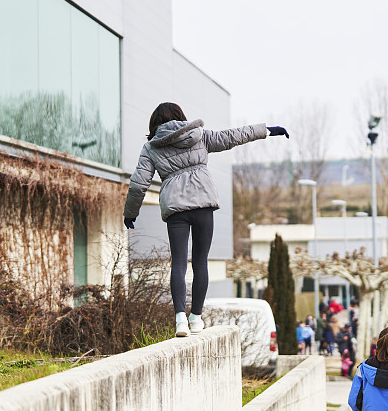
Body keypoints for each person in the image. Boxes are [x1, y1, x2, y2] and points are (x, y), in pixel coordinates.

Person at [123, 102, 289, 337]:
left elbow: (139, 183)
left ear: (154, 124)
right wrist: (267, 130)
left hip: (175, 209)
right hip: (203, 205)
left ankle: (180, 319)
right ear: (181, 117)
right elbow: (233, 136)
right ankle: (196, 318)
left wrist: (131, 212)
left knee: (179, 263)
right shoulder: (198, 136)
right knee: (200, 262)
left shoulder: (151, 148)